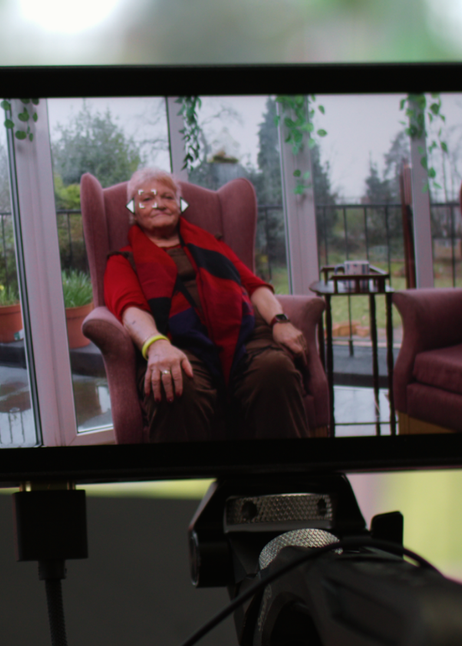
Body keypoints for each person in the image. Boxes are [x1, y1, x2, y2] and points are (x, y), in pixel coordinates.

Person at [100, 164, 311, 442]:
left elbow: (254, 285)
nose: (159, 204)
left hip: (245, 335)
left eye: (167, 196)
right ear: (133, 210)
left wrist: (279, 321)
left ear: (180, 204)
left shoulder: (213, 244)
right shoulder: (122, 260)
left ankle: (286, 481)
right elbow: (130, 309)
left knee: (276, 371)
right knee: (172, 385)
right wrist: (157, 345)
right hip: (177, 343)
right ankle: (186, 485)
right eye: (147, 199)